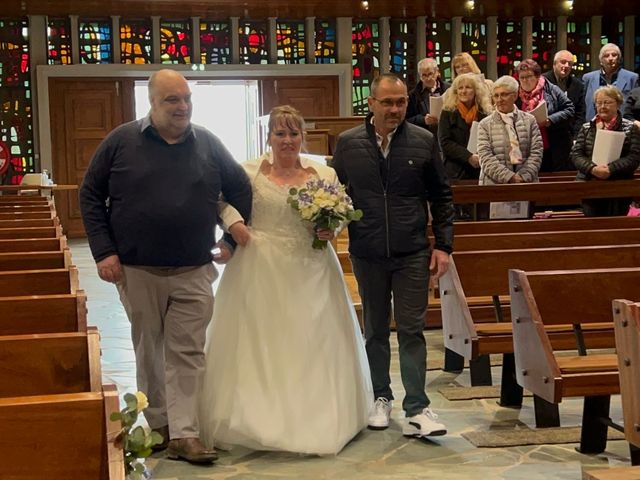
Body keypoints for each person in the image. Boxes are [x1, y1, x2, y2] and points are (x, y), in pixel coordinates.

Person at [79, 69, 252, 464]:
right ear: (152, 103)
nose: (183, 106)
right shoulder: (122, 141)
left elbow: (240, 188)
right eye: (172, 100)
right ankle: (158, 425)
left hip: (193, 268)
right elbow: (90, 194)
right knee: (149, 348)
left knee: (187, 351)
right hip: (137, 268)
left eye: (187, 98)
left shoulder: (207, 142)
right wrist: (104, 251)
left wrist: (229, 241)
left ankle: (185, 433)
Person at [199, 105, 373, 455]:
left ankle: (318, 415)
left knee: (312, 339)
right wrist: (234, 224)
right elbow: (220, 201)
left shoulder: (322, 172)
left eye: (294, 133)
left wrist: (332, 227)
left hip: (311, 267)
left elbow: (341, 211)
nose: (287, 140)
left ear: (302, 137)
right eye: (280, 133)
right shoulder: (248, 171)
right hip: (259, 266)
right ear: (269, 137)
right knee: (260, 342)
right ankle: (254, 418)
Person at [332, 73, 454, 439]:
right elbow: (334, 193)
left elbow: (442, 196)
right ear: (370, 104)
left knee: (413, 329)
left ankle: (417, 406)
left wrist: (444, 246)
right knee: (375, 330)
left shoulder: (423, 141)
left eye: (401, 102)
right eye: (387, 102)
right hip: (367, 250)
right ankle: (380, 397)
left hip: (412, 250)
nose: (395, 109)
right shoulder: (349, 143)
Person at [571, 85, 640, 216]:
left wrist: (611, 169)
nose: (602, 106)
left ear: (618, 104)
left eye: (607, 102)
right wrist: (593, 169)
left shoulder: (630, 128)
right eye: (599, 103)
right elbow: (576, 154)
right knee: (592, 225)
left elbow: (634, 157)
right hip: (590, 182)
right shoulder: (586, 127)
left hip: (619, 183)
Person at [478, 75, 543, 185]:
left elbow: (536, 152)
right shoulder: (485, 124)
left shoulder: (530, 120)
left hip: (526, 182)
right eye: (496, 95)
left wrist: (523, 176)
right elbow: (485, 156)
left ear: (515, 95)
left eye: (504, 94)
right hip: (495, 184)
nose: (499, 100)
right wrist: (509, 177)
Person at [515, 59, 575, 172]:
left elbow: (570, 109)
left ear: (537, 76)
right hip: (526, 150)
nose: (525, 81)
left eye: (528, 76)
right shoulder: (516, 94)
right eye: (522, 78)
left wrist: (550, 120)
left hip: (551, 146)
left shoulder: (551, 89)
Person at [439, 72, 493, 182]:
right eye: (460, 88)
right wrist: (468, 157)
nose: (463, 91)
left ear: (476, 91)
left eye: (468, 87)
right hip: (456, 171)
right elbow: (445, 142)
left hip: (480, 169)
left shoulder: (485, 112)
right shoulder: (448, 112)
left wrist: (479, 157)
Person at [583, 43, 639, 121]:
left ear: (619, 58)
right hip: (594, 127)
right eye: (606, 55)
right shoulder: (588, 78)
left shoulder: (632, 78)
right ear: (601, 60)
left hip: (622, 127)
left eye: (614, 55)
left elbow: (635, 107)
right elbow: (582, 107)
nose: (610, 58)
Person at [542, 49, 586, 138]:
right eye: (563, 62)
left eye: (570, 64)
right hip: (546, 134)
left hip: (568, 135)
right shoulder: (542, 81)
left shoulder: (578, 85)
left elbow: (580, 113)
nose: (566, 66)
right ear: (554, 64)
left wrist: (576, 136)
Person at [407, 57, 450, 136]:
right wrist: (423, 120)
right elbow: (407, 120)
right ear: (420, 76)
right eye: (424, 75)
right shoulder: (413, 95)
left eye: (430, 74)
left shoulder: (449, 89)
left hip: (447, 135)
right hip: (424, 136)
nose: (428, 78)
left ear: (437, 72)